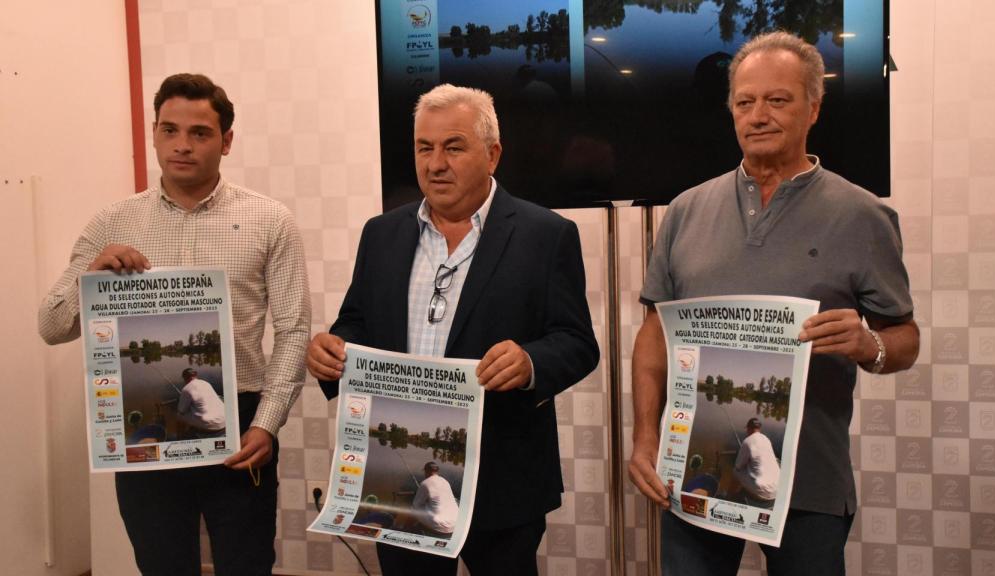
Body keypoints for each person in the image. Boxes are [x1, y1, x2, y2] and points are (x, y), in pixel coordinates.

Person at [628, 31, 919, 576]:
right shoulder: (686, 210)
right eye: (745, 101)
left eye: (777, 100)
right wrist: (646, 438)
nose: (758, 115)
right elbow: (654, 335)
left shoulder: (862, 215)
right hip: (698, 476)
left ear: (813, 107)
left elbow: (904, 340)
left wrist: (868, 342)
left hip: (810, 485)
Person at [307, 83, 599, 575]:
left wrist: (530, 363)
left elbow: (577, 343)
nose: (435, 163)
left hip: (503, 482)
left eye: (453, 146)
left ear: (493, 154)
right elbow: (356, 321)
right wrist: (332, 351)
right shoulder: (381, 235)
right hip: (399, 478)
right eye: (425, 148)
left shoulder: (546, 235)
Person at [38, 73, 311, 575]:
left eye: (200, 133)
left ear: (226, 141)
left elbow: (294, 330)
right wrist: (90, 278)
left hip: (242, 424)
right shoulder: (111, 222)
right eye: (169, 130)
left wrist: (266, 424)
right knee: (162, 565)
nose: (182, 146)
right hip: (145, 426)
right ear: (154, 133)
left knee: (246, 565)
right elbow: (52, 326)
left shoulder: (269, 220)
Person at [733, 418, 779, 503]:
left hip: (763, 492)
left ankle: (732, 496)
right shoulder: (766, 439)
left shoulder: (747, 441)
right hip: (777, 488)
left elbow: (738, 466)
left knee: (735, 471)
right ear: (759, 428)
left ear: (748, 428)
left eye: (747, 429)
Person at [413, 461, 458, 537]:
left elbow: (416, 505)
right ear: (437, 471)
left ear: (426, 471)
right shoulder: (445, 481)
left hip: (440, 526)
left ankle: (413, 529)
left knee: (414, 509)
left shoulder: (425, 483)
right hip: (455, 523)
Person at [177, 368, 226, 433]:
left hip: (212, 424)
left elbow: (181, 410)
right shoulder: (206, 383)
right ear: (196, 376)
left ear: (185, 378)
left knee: (179, 415)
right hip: (225, 418)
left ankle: (184, 435)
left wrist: (182, 399)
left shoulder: (186, 389)